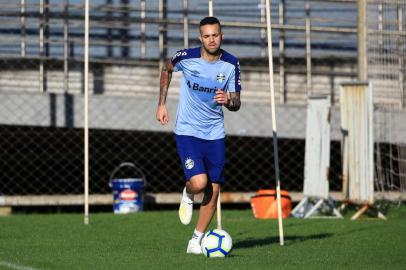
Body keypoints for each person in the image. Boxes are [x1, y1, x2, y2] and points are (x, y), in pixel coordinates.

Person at [155, 16, 241, 254]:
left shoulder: (231, 64)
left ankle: (196, 241)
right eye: (207, 36)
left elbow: (236, 102)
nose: (211, 40)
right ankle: (188, 191)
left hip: (215, 134)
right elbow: (166, 68)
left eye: (215, 35)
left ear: (221, 36)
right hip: (188, 131)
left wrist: (228, 100)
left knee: (213, 193)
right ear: (200, 38)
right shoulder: (186, 57)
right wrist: (161, 104)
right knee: (199, 183)